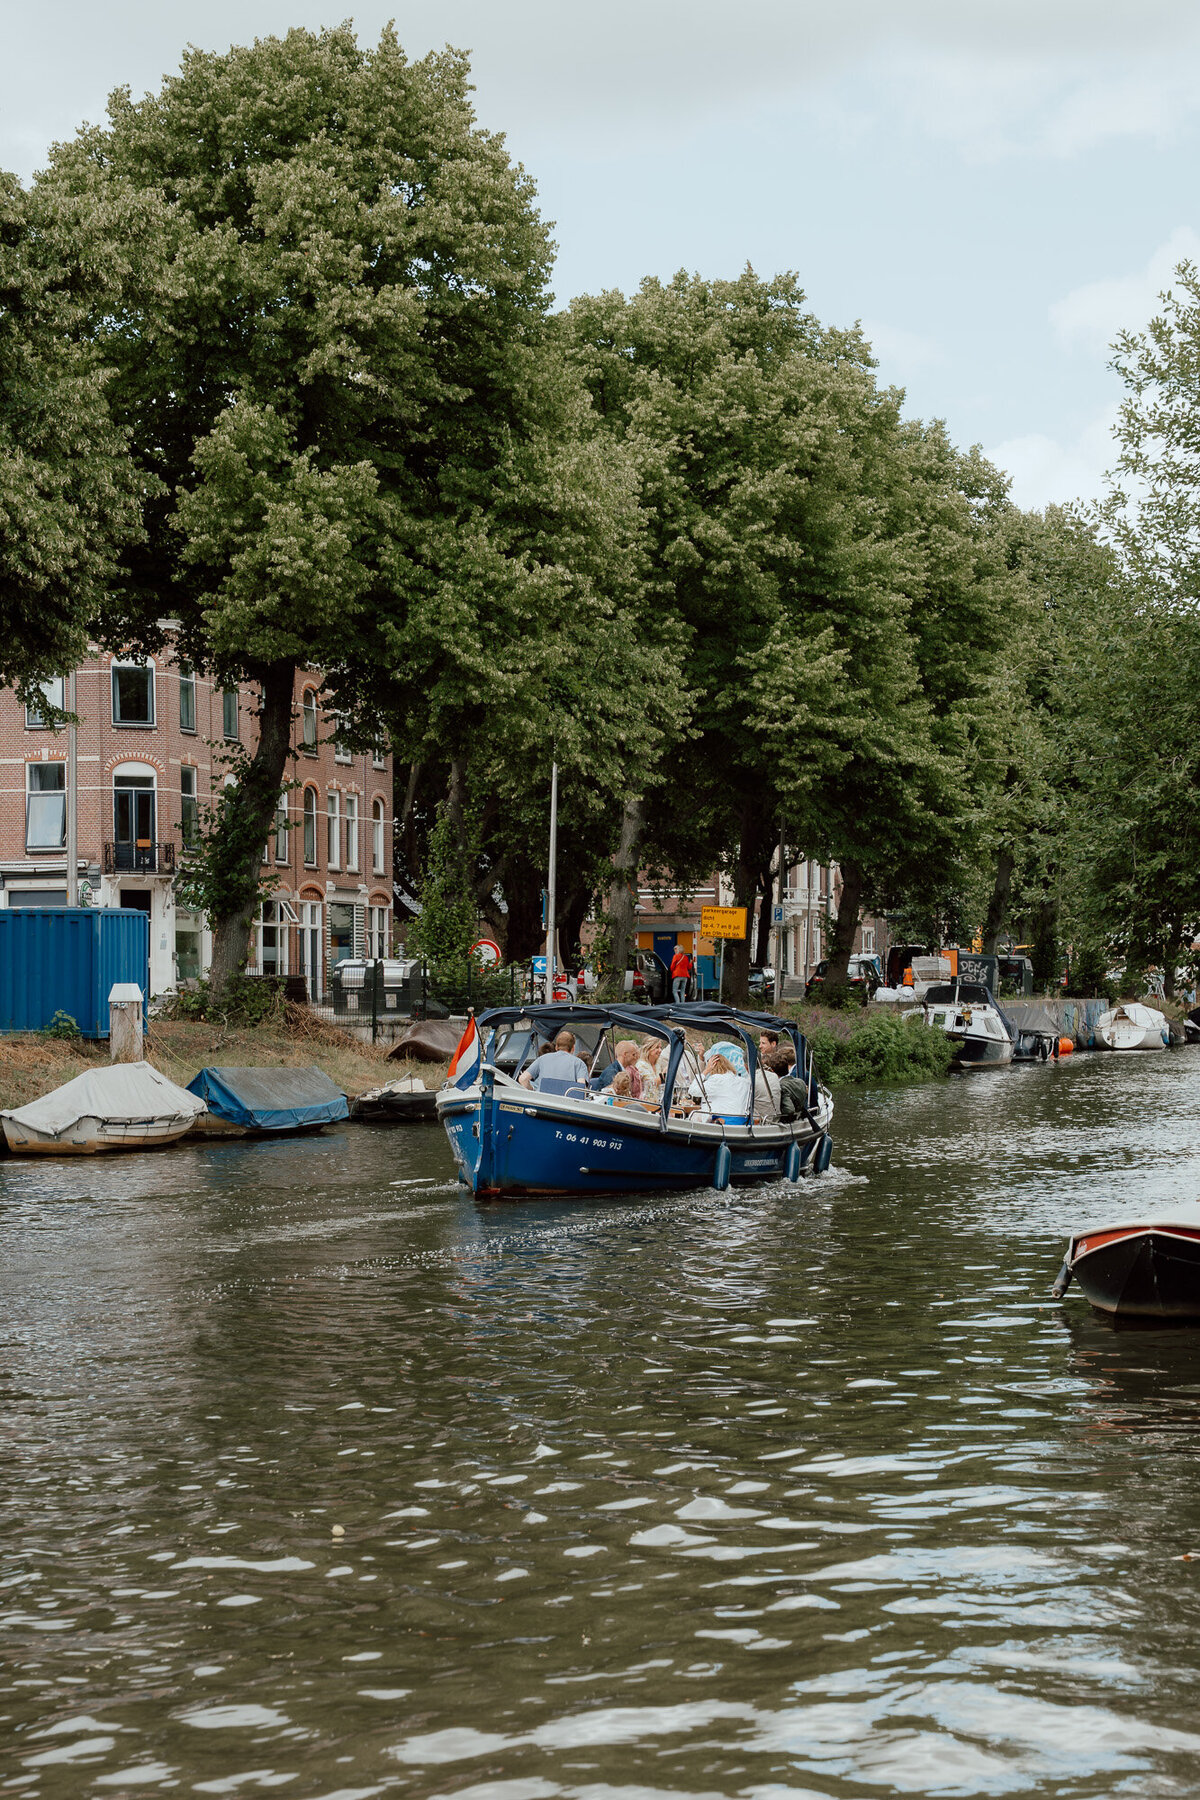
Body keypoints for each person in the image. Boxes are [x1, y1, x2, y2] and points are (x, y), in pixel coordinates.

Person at [519, 1029, 590, 1091]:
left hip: (542, 1102)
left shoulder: (542, 1059)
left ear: (556, 1047)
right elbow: (581, 1088)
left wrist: (532, 1089)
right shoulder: (579, 1063)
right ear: (573, 1048)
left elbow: (523, 1079)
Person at [689, 1052, 752, 1121]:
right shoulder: (743, 1082)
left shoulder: (717, 1080)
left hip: (722, 1122)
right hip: (741, 1122)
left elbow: (692, 1090)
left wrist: (706, 1071)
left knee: (693, 1116)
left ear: (712, 1066)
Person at [768, 1048, 810, 1122]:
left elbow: (789, 1110)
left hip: (789, 1122)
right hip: (800, 1117)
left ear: (772, 1071)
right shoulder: (800, 1082)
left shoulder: (781, 1086)